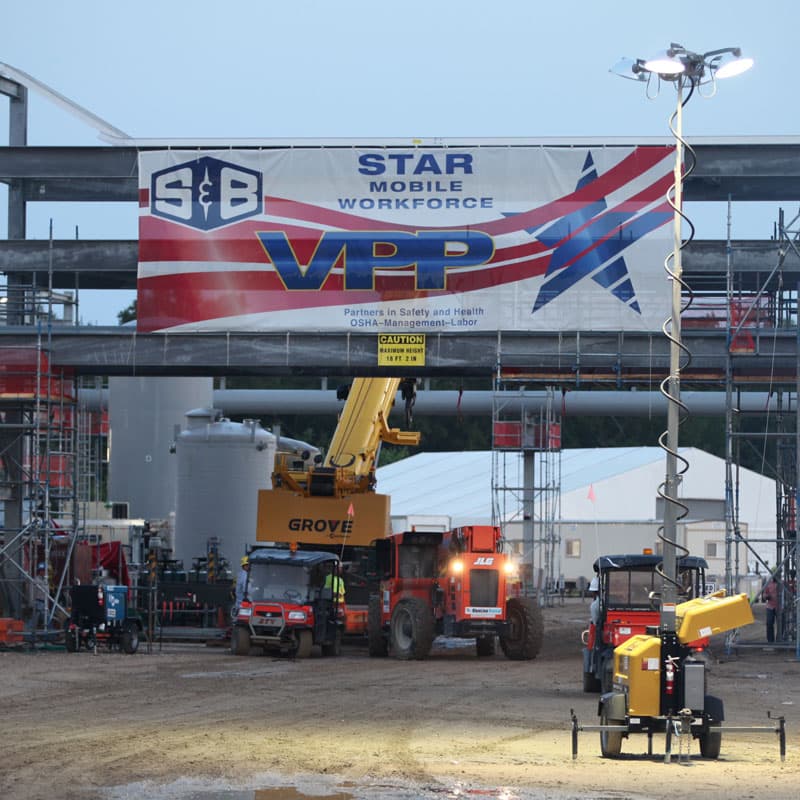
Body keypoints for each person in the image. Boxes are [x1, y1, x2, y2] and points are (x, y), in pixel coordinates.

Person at [761, 576, 779, 643]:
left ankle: (779, 640)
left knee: (781, 625)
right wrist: (767, 596)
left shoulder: (783, 583)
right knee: (769, 623)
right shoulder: (768, 584)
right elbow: (764, 595)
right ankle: (770, 641)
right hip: (770, 607)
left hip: (780, 607)